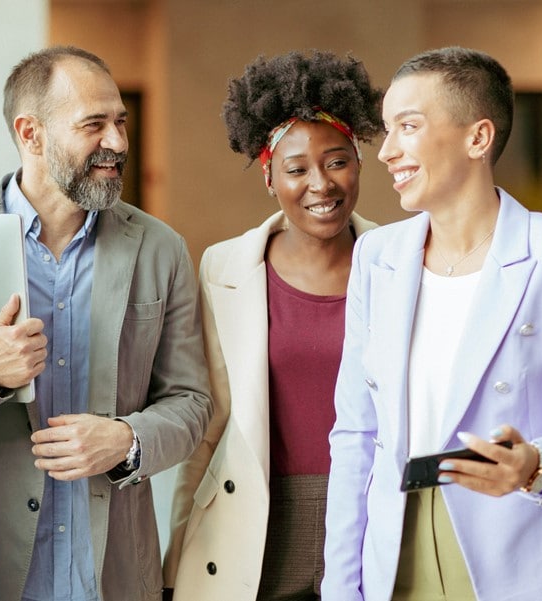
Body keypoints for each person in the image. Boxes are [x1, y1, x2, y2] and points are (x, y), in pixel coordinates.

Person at [0, 46, 212, 601]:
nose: (118, 142)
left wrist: (126, 440)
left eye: (120, 122)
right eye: (94, 124)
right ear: (31, 133)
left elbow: (191, 400)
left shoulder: (161, 250)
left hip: (112, 571)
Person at [323, 46, 542, 601]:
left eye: (407, 127)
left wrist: (536, 465)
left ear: (477, 138)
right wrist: (341, 586)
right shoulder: (377, 256)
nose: (387, 151)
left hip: (531, 551)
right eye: (386, 130)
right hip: (398, 554)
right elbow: (356, 434)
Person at [163, 50, 382, 601]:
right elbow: (210, 425)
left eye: (337, 161)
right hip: (253, 522)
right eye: (296, 168)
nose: (321, 184)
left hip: (370, 515)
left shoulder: (401, 263)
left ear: (358, 161)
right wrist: (175, 559)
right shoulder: (224, 267)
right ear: (268, 176)